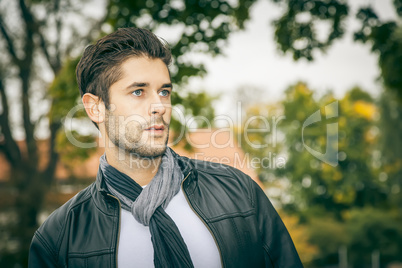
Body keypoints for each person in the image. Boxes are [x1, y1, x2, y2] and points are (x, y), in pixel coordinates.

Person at [28, 27, 303, 267]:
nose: (159, 106)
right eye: (138, 92)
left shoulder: (239, 193)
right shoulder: (58, 238)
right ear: (96, 107)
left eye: (164, 91)